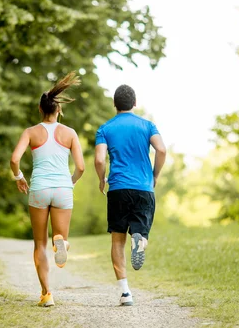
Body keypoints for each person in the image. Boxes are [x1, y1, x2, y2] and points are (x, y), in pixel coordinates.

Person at [10, 72, 85, 307]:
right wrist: (69, 183)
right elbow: (81, 167)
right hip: (62, 188)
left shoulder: (31, 132)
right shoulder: (70, 133)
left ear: (40, 110)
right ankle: (61, 242)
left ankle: (47, 294)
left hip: (40, 188)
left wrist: (19, 177)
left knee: (39, 244)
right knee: (59, 238)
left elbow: (14, 159)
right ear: (59, 110)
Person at [94, 84, 166, 306]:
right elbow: (161, 150)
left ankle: (125, 293)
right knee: (140, 230)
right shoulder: (147, 125)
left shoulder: (105, 129)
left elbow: (99, 159)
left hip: (117, 188)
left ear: (115, 104)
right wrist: (154, 175)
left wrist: (101, 178)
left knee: (117, 240)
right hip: (143, 187)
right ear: (135, 103)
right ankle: (140, 239)